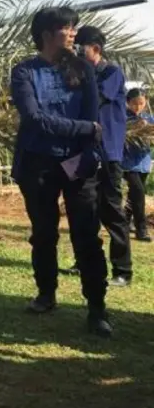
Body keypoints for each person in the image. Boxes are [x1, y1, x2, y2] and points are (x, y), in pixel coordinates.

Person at [10, 6, 111, 337]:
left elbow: (96, 120)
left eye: (73, 27)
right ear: (46, 34)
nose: (72, 33)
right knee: (44, 233)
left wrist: (88, 139)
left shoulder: (83, 69)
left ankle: (97, 309)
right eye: (66, 28)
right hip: (38, 164)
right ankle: (46, 293)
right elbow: (34, 118)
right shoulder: (25, 72)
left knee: (86, 236)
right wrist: (84, 128)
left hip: (79, 163)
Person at [75, 25, 132, 287]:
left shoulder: (111, 72)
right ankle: (84, 261)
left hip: (108, 154)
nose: (75, 53)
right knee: (86, 210)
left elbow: (94, 98)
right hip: (85, 152)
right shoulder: (79, 74)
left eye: (80, 48)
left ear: (95, 49)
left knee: (112, 212)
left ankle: (122, 270)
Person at [121, 88, 153, 242]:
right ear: (128, 103)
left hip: (144, 162)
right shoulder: (123, 118)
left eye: (141, 103)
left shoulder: (149, 118)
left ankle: (124, 223)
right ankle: (142, 229)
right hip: (128, 163)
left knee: (134, 195)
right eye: (134, 103)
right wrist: (134, 128)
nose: (138, 107)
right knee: (139, 193)